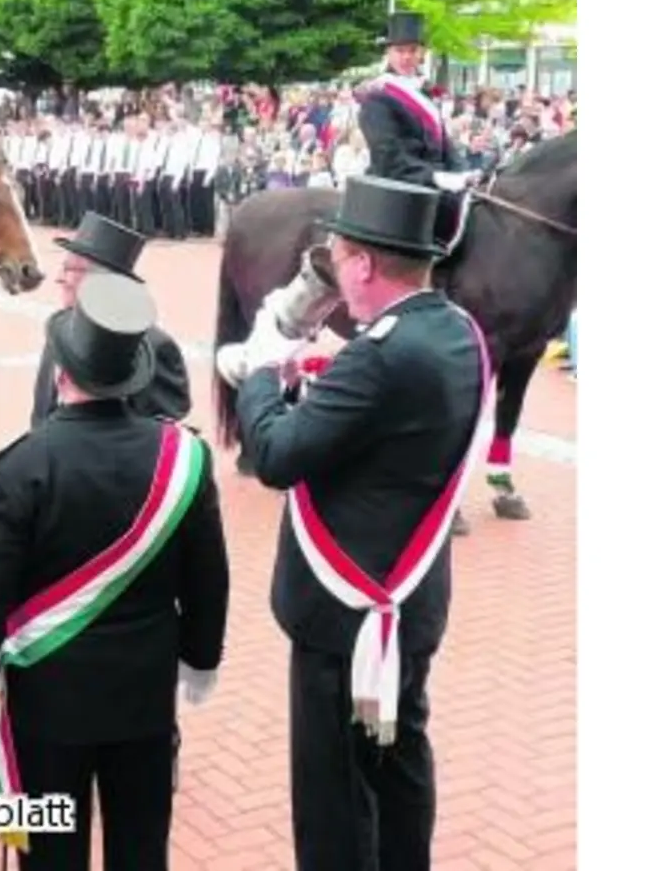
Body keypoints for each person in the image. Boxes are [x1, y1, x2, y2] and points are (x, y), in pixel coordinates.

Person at [213, 176, 495, 871]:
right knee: (397, 762)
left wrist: (260, 372)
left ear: (364, 265)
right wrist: (324, 383)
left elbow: (275, 457)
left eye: (337, 258)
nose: (332, 272)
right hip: (410, 601)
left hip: (346, 617)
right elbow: (382, 417)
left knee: (335, 789)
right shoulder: (453, 329)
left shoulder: (380, 354)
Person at [0, 272, 231, 871]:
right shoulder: (184, 458)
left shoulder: (23, 467)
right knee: (140, 848)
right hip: (145, 698)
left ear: (60, 375)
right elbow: (209, 577)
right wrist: (202, 660)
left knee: (51, 857)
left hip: (47, 703)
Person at [31, 212, 189, 428]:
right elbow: (41, 416)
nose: (59, 278)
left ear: (101, 281)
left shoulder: (154, 347)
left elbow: (163, 437)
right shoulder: (59, 333)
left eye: (70, 270)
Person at [357, 12, 477, 250]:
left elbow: (444, 144)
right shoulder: (378, 97)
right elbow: (389, 157)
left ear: (421, 53)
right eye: (400, 51)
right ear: (388, 53)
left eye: (412, 50)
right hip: (398, 185)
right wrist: (435, 177)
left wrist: (464, 172)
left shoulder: (424, 93)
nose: (406, 57)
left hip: (434, 183)